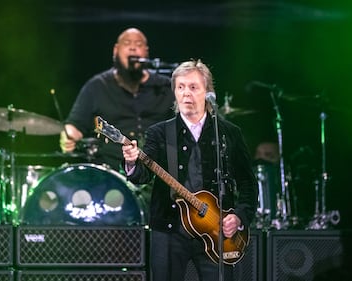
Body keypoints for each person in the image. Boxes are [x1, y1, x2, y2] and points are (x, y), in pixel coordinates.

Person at [122, 59, 258, 281]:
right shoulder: (160, 132)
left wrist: (240, 217)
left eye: (193, 87)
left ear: (207, 92)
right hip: (169, 229)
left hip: (216, 231)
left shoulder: (228, 133)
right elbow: (142, 175)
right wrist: (131, 162)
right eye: (180, 87)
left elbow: (247, 182)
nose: (186, 93)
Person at [59, 27, 175, 172]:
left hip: (160, 174)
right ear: (116, 51)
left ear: (146, 52)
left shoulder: (165, 86)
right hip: (112, 178)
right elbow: (75, 125)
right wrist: (69, 136)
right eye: (127, 44)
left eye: (138, 45)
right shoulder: (97, 86)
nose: (133, 48)